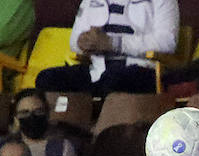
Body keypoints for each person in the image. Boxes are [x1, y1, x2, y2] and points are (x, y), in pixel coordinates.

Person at [35, 0, 179, 95]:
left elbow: (167, 42)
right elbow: (74, 41)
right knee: (47, 79)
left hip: (142, 69)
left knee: (113, 79)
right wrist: (83, 42)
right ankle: (62, 132)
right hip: (98, 71)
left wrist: (115, 43)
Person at [7, 89, 79, 156]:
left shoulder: (60, 147)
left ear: (47, 115)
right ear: (16, 119)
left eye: (38, 111)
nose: (32, 117)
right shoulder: (4, 147)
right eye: (25, 113)